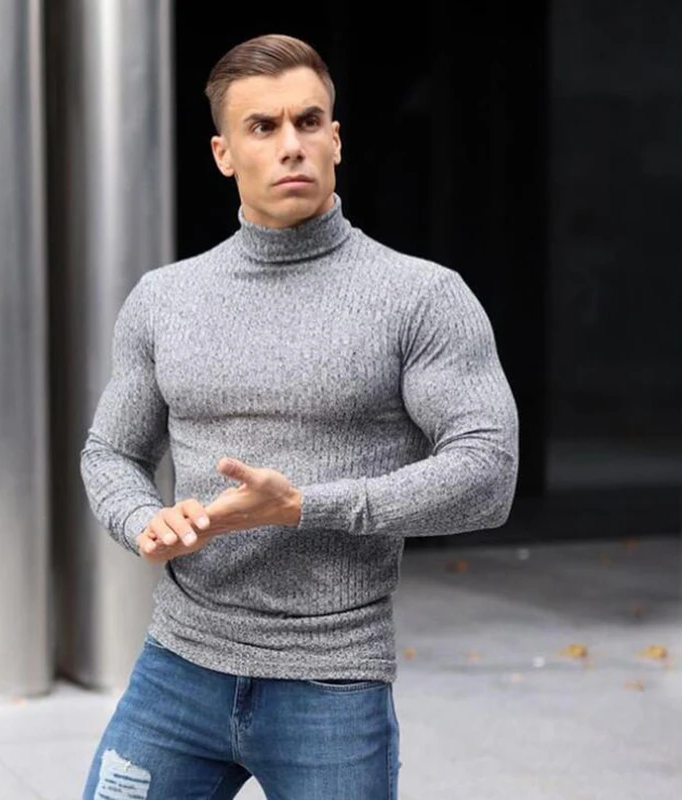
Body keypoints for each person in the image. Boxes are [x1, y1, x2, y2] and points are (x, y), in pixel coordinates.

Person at [80, 33, 518, 800]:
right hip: (177, 667)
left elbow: (489, 472)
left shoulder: (421, 296)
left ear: (336, 140)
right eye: (263, 127)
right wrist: (144, 520)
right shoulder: (163, 299)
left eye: (308, 122)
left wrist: (304, 506)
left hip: (332, 682)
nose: (291, 145)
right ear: (223, 154)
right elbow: (110, 453)